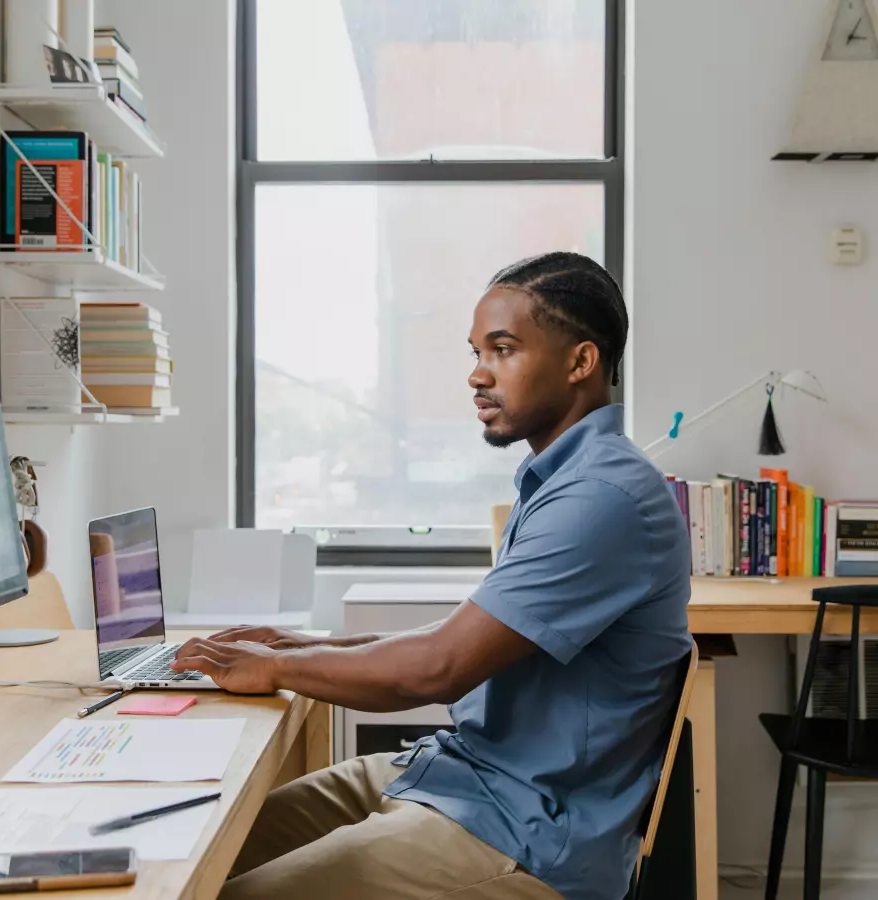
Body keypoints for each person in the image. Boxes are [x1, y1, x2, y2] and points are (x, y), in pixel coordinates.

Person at [171, 252, 692, 900]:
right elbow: (466, 636)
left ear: (580, 362)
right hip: (462, 778)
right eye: (476, 352)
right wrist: (304, 646)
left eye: (502, 350)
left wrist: (274, 668)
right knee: (192, 852)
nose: (477, 375)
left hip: (523, 834)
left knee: (228, 893)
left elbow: (437, 668)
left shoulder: (602, 498)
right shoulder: (562, 480)